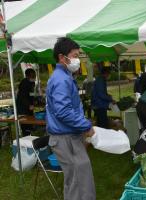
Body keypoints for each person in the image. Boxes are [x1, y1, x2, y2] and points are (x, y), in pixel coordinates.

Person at [46, 37, 96, 200]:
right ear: (62, 57)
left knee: (80, 178)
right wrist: (86, 125)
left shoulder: (65, 76)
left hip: (69, 136)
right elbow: (63, 111)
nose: (77, 60)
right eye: (75, 55)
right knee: (76, 182)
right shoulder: (61, 79)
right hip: (65, 138)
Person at [91, 64, 114, 129]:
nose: (109, 75)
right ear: (106, 73)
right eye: (109, 73)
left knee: (100, 123)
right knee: (103, 124)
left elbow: (102, 92)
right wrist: (110, 99)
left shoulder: (101, 79)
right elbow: (101, 94)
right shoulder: (100, 80)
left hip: (99, 104)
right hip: (99, 105)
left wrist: (109, 96)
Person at [16, 68, 36, 136]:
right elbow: (23, 97)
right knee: (25, 124)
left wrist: (35, 100)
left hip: (29, 106)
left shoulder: (32, 82)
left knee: (30, 122)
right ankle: (25, 137)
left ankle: (29, 133)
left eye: (34, 75)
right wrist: (29, 105)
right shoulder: (24, 83)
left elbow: (31, 93)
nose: (34, 77)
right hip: (22, 107)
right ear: (27, 76)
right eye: (32, 75)